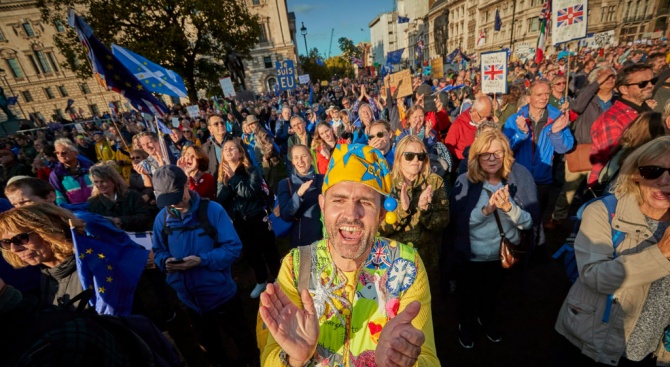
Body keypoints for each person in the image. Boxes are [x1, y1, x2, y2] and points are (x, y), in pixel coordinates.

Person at [259, 144, 439, 367]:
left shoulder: (406, 266)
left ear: (381, 214)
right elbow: (269, 357)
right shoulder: (295, 267)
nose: (351, 215)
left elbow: (429, 358)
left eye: (365, 202)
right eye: (339, 200)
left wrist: (400, 363)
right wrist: (294, 359)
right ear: (323, 206)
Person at [554, 136, 670, 366]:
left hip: (655, 349)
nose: (664, 181)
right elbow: (594, 276)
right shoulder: (604, 212)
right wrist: (659, 254)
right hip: (598, 341)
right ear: (635, 174)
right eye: (653, 171)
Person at [151, 164, 259, 367]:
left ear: (186, 185)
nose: (172, 205)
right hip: (189, 301)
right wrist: (165, 262)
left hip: (221, 295)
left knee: (241, 338)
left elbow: (233, 248)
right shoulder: (161, 219)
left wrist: (202, 260)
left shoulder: (212, 210)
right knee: (211, 346)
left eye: (175, 197)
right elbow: (158, 251)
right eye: (166, 201)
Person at [448, 129, 538, 349]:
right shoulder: (465, 181)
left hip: (501, 257)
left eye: (497, 153)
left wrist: (509, 208)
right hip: (473, 256)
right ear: (476, 157)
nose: (491, 159)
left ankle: (486, 320)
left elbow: (528, 224)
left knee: (492, 294)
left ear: (506, 155)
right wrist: (487, 210)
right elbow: (458, 225)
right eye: (485, 154)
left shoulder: (520, 178)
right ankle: (466, 325)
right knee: (468, 295)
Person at [547, 66, 618, 228]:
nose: (609, 78)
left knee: (598, 190)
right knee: (569, 188)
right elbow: (577, 106)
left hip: (607, 152)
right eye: (604, 76)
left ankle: (595, 222)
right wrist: (596, 83)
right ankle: (558, 217)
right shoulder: (586, 98)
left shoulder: (617, 99)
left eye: (612, 76)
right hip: (582, 150)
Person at [380, 134, 450, 287]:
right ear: (398, 158)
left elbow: (444, 221)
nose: (416, 161)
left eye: (420, 156)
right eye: (409, 156)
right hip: (395, 260)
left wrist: (424, 210)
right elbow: (380, 229)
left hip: (426, 261)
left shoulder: (434, 182)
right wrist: (402, 210)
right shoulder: (386, 184)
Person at [216, 139, 280, 299]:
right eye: (225, 149)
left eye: (232, 148)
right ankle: (261, 280)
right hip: (239, 221)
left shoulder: (252, 170)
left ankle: (279, 277)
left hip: (257, 217)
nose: (228, 151)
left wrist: (233, 180)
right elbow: (220, 200)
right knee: (252, 252)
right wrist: (226, 184)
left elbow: (249, 193)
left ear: (240, 152)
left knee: (268, 248)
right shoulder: (221, 175)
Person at [503, 79, 574, 222]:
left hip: (543, 178)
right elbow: (506, 149)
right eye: (539, 95)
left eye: (547, 94)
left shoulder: (557, 118)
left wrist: (556, 132)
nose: (544, 98)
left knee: (537, 218)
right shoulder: (515, 119)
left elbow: (564, 148)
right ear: (528, 98)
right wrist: (521, 134)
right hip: (519, 177)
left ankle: (536, 242)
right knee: (518, 217)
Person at [589, 64, 655, 186]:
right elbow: (616, 163)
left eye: (653, 80)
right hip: (619, 186)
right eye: (642, 84)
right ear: (624, 89)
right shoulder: (612, 119)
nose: (650, 86)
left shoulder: (647, 112)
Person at [277, 144, 324, 247]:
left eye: (304, 156)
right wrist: (298, 194)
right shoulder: (285, 184)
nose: (300, 161)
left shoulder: (323, 179)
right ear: (292, 162)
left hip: (324, 237)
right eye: (296, 158)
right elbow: (286, 215)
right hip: (301, 241)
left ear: (311, 158)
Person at [87, 161, 153, 232]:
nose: (99, 185)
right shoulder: (93, 203)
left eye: (103, 181)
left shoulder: (132, 196)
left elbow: (145, 218)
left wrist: (120, 220)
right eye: (96, 182)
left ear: (113, 180)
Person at [445, 96, 494, 162]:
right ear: (473, 111)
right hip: (466, 163)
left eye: (487, 116)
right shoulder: (458, 125)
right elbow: (448, 147)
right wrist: (464, 155)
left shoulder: (489, 121)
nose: (485, 120)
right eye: (482, 117)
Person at [49, 138, 94, 205]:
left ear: (75, 153)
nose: (60, 155)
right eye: (57, 153)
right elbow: (59, 199)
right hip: (75, 212)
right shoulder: (56, 174)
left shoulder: (90, 168)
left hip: (97, 209)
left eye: (64, 153)